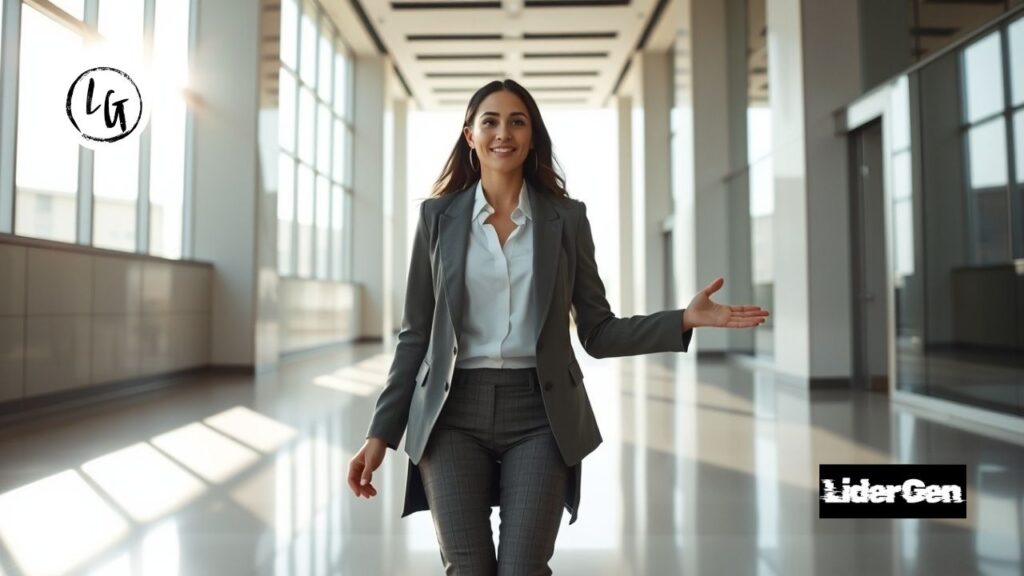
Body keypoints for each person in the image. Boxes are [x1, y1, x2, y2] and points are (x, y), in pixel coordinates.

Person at [347, 79, 769, 575]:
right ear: (470, 135)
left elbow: (598, 330)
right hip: (450, 413)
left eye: (517, 121)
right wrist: (381, 433)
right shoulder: (437, 217)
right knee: (468, 568)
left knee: (524, 567)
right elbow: (415, 335)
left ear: (531, 137)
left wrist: (683, 319)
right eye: (490, 121)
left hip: (541, 414)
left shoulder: (565, 219)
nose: (503, 132)